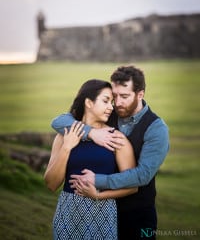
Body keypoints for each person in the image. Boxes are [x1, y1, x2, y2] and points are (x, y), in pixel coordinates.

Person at [51, 65, 170, 240]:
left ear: (140, 94)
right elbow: (59, 121)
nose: (118, 102)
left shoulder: (157, 129)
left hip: (137, 215)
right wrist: (91, 132)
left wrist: (98, 182)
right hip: (102, 211)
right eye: (114, 96)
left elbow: (142, 175)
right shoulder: (107, 113)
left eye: (124, 96)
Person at [44, 79, 137, 240]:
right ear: (88, 102)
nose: (111, 107)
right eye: (106, 101)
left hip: (103, 214)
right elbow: (51, 184)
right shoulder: (64, 135)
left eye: (112, 102)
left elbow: (133, 186)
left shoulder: (116, 139)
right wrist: (67, 148)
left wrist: (98, 195)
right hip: (67, 215)